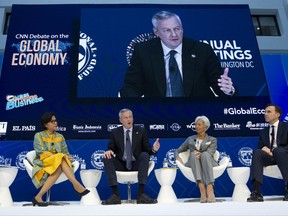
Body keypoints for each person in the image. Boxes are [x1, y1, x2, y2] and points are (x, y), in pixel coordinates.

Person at [120, 10, 234, 98]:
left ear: (182, 29)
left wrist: (228, 90)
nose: (174, 34)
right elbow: (131, 86)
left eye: (177, 29)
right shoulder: (143, 51)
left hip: (198, 112)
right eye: (167, 30)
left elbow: (218, 84)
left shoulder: (202, 50)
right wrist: (140, 107)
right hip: (158, 114)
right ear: (156, 32)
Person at [102, 108, 160, 205]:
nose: (129, 120)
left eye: (130, 117)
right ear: (120, 120)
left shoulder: (141, 131)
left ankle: (141, 194)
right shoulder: (115, 132)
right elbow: (111, 148)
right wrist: (109, 151)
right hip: (121, 164)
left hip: (135, 164)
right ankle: (115, 195)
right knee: (106, 157)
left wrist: (154, 149)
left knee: (144, 155)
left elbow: (147, 151)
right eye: (126, 118)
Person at [31, 112, 89, 207]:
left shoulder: (60, 136)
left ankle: (38, 196)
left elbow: (65, 152)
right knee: (60, 157)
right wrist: (60, 156)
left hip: (58, 163)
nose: (55, 123)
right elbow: (41, 152)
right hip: (44, 161)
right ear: (46, 124)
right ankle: (76, 184)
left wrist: (67, 156)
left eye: (56, 120)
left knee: (60, 163)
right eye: (52, 121)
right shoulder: (39, 135)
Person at [247, 104, 288, 202]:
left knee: (278, 151)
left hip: (284, 155)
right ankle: (256, 192)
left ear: (277, 114)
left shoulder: (286, 127)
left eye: (269, 112)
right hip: (270, 157)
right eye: (265, 112)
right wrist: (264, 149)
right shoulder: (263, 131)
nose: (265, 114)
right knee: (257, 152)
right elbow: (260, 146)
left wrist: (274, 151)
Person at [175, 115, 218, 203]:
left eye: (199, 124)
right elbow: (178, 150)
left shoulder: (212, 139)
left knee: (205, 155)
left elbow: (211, 153)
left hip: (208, 162)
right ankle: (202, 191)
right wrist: (177, 157)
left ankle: (210, 190)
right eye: (195, 124)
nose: (196, 127)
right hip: (193, 163)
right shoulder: (190, 139)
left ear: (205, 127)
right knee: (193, 155)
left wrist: (201, 154)